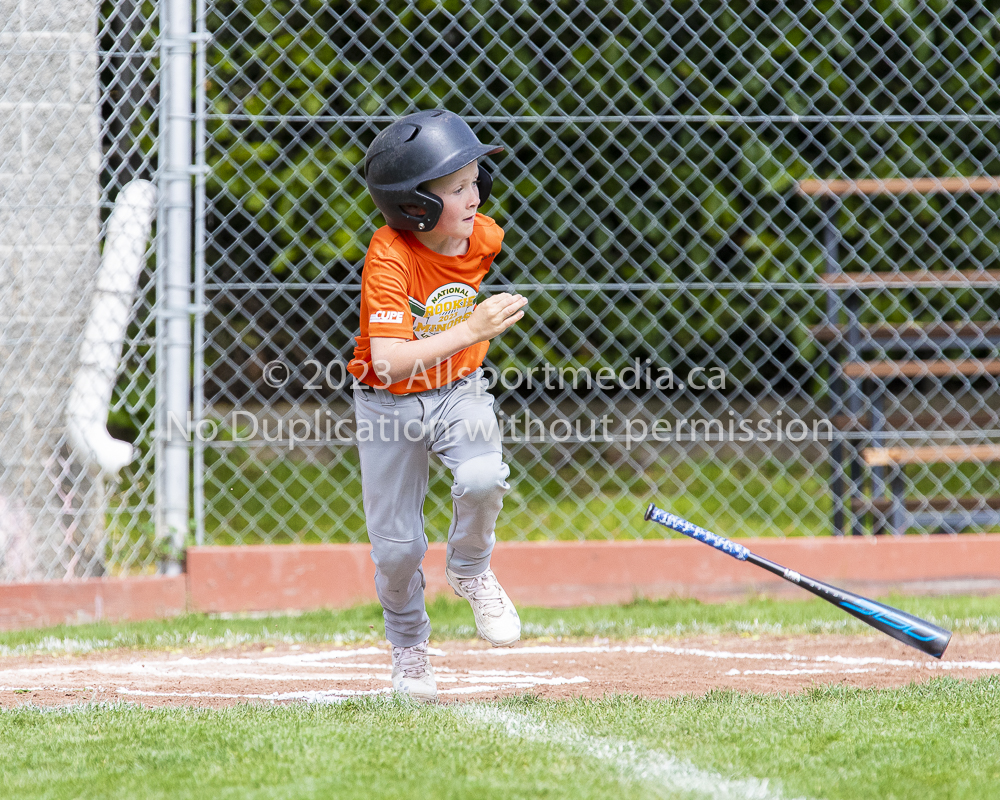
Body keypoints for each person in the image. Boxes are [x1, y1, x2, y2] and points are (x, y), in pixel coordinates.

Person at [347, 109, 528, 702]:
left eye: (475, 181)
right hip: (387, 404)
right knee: (397, 551)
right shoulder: (389, 254)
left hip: (458, 392)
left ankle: (471, 567)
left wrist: (466, 342)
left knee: (482, 477)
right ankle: (410, 648)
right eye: (456, 189)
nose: (473, 196)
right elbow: (390, 361)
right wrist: (473, 326)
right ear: (413, 206)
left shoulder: (484, 236)